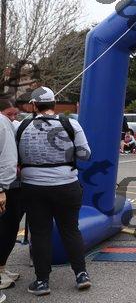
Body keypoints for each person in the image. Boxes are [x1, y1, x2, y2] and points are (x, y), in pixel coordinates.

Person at [17, 87, 92, 296]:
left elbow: (15, 156)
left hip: (33, 187)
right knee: (71, 230)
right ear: (54, 103)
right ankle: (81, 274)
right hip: (66, 184)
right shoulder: (71, 124)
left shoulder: (22, 126)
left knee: (40, 233)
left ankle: (42, 281)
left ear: (34, 105)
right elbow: (85, 154)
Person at [0, 96, 18, 296]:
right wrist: (1, 188)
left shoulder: (7, 123)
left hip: (8, 186)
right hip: (5, 187)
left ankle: (2, 268)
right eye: (9, 114)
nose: (12, 118)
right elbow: (7, 159)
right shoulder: (2, 124)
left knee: (9, 229)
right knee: (5, 230)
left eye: (15, 114)